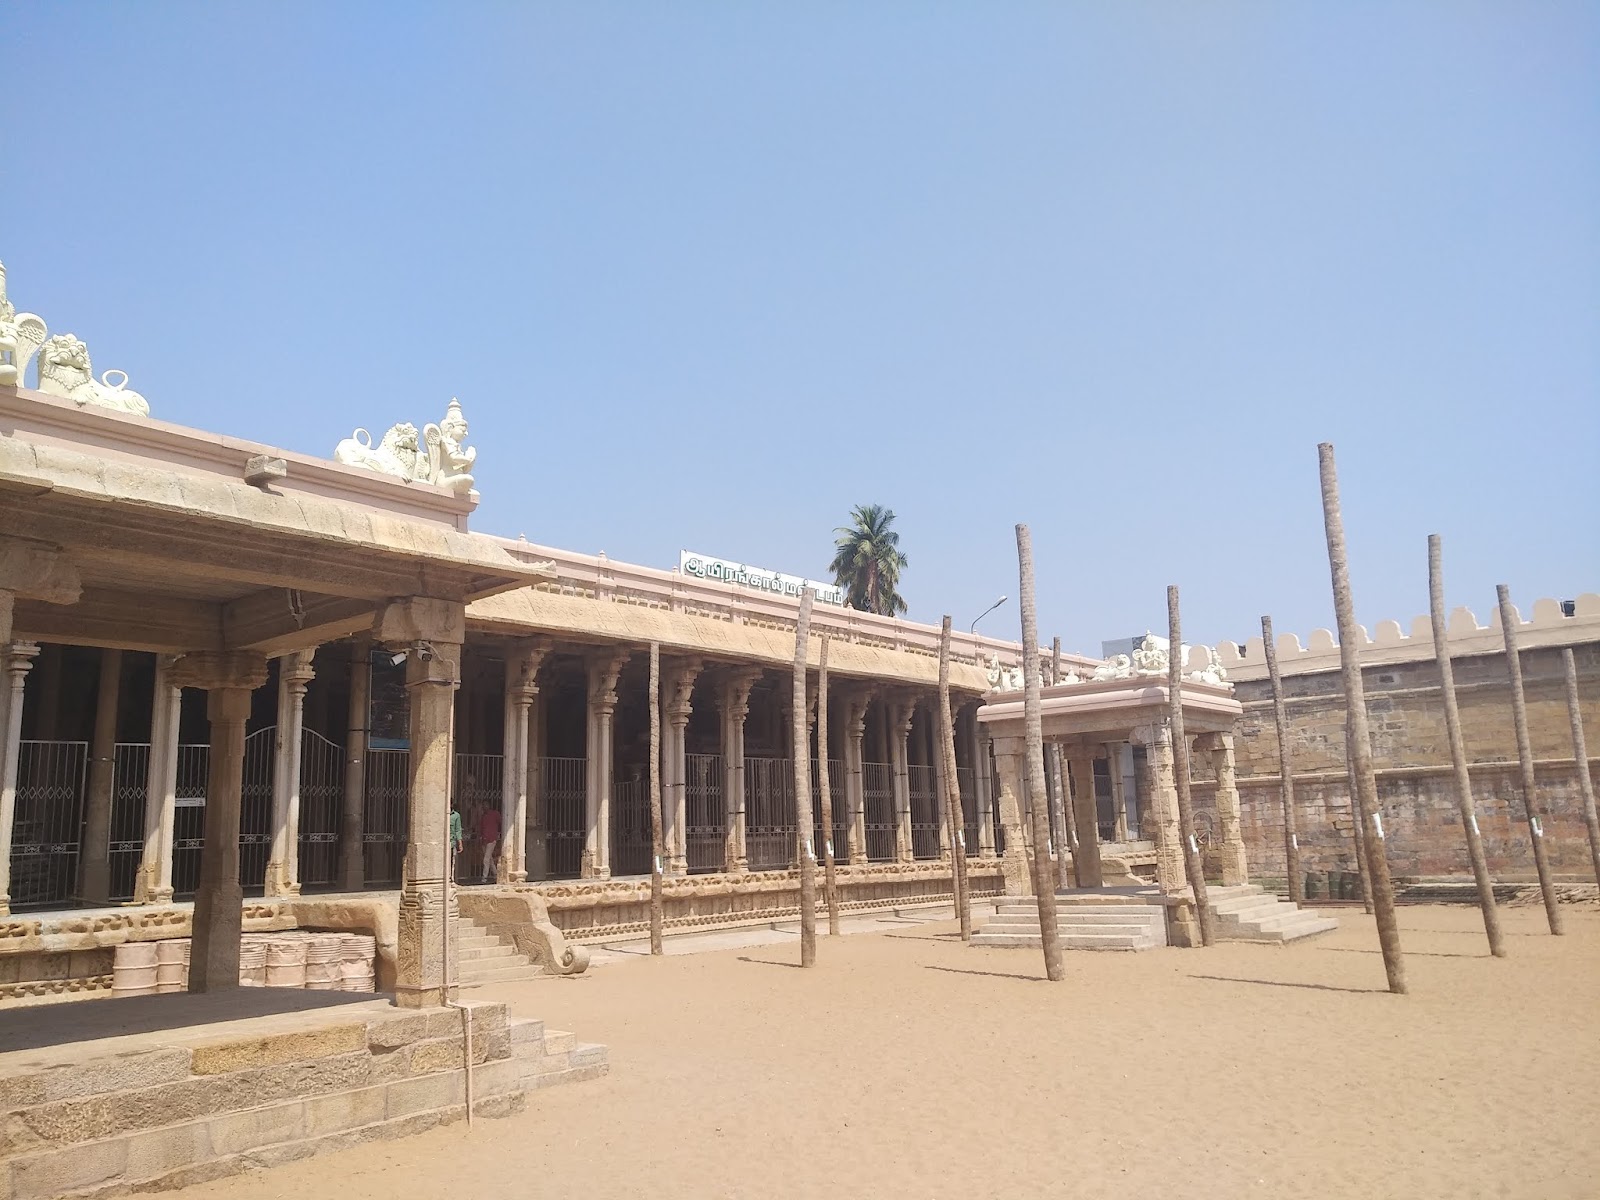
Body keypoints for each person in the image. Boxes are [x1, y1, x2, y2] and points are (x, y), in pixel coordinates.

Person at [478, 803, 502, 884]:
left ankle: (484, 878)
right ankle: (496, 875)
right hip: (484, 840)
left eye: (486, 805)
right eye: (484, 806)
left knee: (486, 859)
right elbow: (481, 828)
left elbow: (500, 823)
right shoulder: (483, 816)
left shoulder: (495, 814)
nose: (485, 807)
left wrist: (498, 833)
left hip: (491, 839)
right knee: (489, 859)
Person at [449, 803, 464, 882]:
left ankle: (451, 878)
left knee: (451, 861)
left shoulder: (456, 816)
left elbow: (458, 830)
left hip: (451, 842)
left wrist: (460, 844)